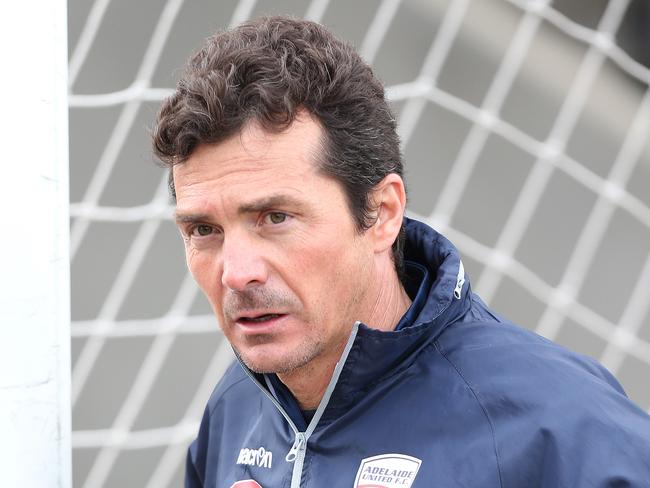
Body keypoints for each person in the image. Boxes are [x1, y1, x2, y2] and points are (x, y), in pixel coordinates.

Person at [152, 15, 650, 488]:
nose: (236, 273)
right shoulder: (235, 410)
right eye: (203, 229)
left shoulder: (559, 423)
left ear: (382, 213)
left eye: (275, 218)